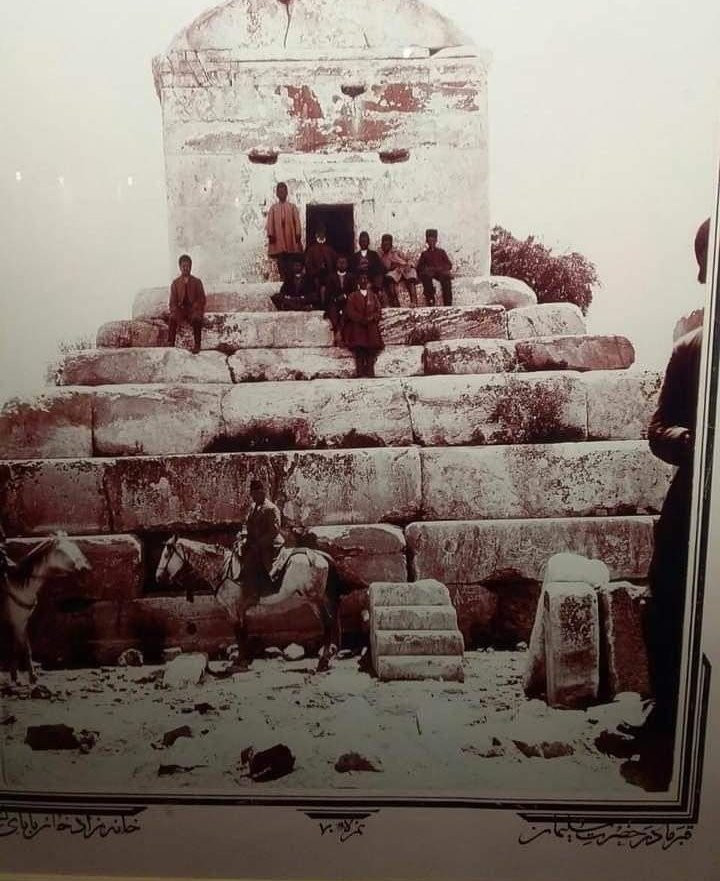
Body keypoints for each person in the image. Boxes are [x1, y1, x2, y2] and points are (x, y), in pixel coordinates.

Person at [597, 218, 709, 791]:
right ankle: (665, 717)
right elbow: (658, 427)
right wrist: (692, 441)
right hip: (695, 495)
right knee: (665, 605)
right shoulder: (690, 349)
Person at [238, 480, 286, 597]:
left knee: (256, 559)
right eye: (252, 494)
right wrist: (243, 535)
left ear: (262, 493)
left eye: (255, 494)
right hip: (254, 542)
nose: (253, 497)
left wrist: (258, 544)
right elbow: (248, 524)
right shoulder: (253, 507)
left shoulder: (271, 509)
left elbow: (273, 532)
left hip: (270, 544)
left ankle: (265, 589)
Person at [342, 272, 384, 378]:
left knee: (371, 351)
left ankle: (370, 371)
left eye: (365, 279)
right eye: (361, 279)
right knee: (359, 350)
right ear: (358, 282)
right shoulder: (352, 296)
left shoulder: (373, 296)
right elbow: (350, 311)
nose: (363, 281)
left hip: (371, 327)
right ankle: (360, 372)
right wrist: (360, 319)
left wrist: (372, 317)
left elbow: (378, 310)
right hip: (358, 327)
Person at [168, 254, 206, 355]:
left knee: (197, 319)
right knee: (172, 318)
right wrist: (175, 311)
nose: (185, 268)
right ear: (180, 267)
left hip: (193, 310)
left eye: (188, 266)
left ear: (191, 267)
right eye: (183, 266)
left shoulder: (197, 282)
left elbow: (202, 299)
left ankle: (197, 345)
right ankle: (170, 343)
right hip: (181, 310)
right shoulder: (175, 283)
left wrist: (196, 307)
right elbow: (172, 301)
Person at [266, 182, 303, 283]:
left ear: (287, 193)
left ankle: (290, 277)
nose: (281, 193)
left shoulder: (292, 207)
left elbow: (297, 221)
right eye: (280, 192)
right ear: (277, 194)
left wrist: (298, 233)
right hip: (278, 237)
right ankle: (282, 277)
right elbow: (270, 223)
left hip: (290, 236)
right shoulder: (273, 208)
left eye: (283, 191)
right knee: (281, 258)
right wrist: (271, 234)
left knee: (291, 257)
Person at [379, 233, 418, 307]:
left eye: (388, 243)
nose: (386, 245)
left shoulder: (397, 252)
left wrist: (409, 265)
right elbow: (386, 267)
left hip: (405, 268)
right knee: (389, 279)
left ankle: (414, 302)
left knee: (411, 279)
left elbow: (408, 259)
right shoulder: (382, 256)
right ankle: (396, 304)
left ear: (391, 244)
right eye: (384, 243)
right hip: (394, 272)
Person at [416, 228, 453, 307]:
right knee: (426, 279)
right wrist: (427, 270)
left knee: (446, 279)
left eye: (433, 239)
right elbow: (419, 267)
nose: (431, 242)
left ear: (436, 240)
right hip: (430, 273)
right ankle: (430, 301)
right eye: (429, 240)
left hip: (440, 273)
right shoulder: (425, 254)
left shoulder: (441, 252)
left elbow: (449, 265)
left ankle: (448, 303)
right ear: (427, 241)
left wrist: (442, 268)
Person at [324, 255, 356, 345]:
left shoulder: (351, 277)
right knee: (333, 311)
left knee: (347, 311)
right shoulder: (331, 277)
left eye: (344, 263)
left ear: (347, 264)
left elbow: (354, 292)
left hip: (347, 302)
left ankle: (339, 333)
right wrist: (335, 298)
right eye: (340, 262)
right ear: (336, 264)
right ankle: (338, 332)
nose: (342, 264)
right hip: (334, 302)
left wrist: (345, 296)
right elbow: (328, 293)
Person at [304, 226, 337, 310]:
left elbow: (335, 263)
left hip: (328, 275)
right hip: (315, 276)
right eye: (319, 232)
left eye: (323, 232)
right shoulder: (311, 249)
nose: (321, 234)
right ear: (316, 234)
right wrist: (316, 272)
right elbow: (308, 265)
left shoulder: (330, 249)